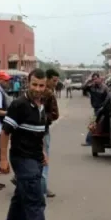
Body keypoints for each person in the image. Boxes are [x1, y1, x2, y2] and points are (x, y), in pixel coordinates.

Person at [0, 69, 68, 220]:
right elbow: (5, 132)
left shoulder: (42, 104)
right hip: (22, 159)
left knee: (22, 198)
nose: (38, 88)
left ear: (46, 86)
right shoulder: (19, 105)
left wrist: (43, 152)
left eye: (41, 85)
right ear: (28, 83)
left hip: (36, 158)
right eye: (34, 84)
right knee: (35, 200)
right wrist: (3, 159)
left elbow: (40, 131)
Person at [41, 69, 61, 198]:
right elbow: (55, 114)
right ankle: (42, 188)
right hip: (42, 131)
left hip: (34, 130)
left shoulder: (33, 92)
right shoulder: (49, 93)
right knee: (44, 160)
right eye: (54, 80)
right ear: (47, 79)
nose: (55, 83)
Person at [82, 73, 109, 146]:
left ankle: (89, 141)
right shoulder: (92, 87)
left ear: (100, 78)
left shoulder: (104, 88)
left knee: (93, 124)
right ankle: (91, 141)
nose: (95, 80)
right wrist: (88, 81)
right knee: (95, 124)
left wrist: (103, 107)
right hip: (96, 109)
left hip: (102, 109)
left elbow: (108, 98)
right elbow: (83, 88)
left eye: (96, 79)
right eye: (93, 79)